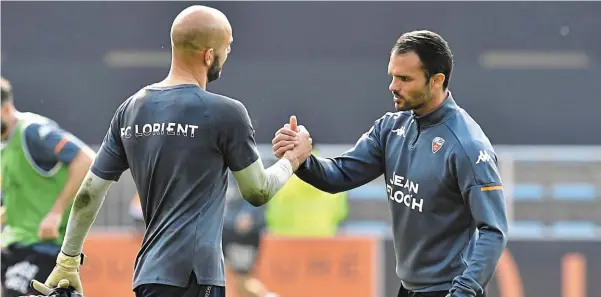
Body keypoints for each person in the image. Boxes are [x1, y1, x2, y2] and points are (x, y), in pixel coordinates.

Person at [34, 5, 312, 297]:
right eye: (226, 48)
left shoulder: (130, 110)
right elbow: (258, 191)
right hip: (196, 274)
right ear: (208, 55)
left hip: (148, 275)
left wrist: (67, 260)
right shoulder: (226, 113)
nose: (227, 55)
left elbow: (89, 193)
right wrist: (293, 159)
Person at [272, 30, 508, 297]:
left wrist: (464, 291)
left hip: (449, 290)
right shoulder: (390, 128)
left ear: (436, 80)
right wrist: (301, 160)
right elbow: (338, 175)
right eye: (393, 76)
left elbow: (493, 230)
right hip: (408, 289)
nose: (393, 86)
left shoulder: (468, 145)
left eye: (405, 78)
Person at [0, 76, 94, 297]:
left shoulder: (33, 131)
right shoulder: (4, 147)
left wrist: (56, 212)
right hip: (15, 244)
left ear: (5, 109)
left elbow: (86, 159)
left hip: (44, 247)